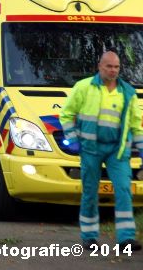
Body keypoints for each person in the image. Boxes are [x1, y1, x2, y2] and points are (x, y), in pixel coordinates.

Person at [60, 50, 143, 251]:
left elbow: (136, 125)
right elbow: (66, 114)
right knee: (90, 192)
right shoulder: (84, 87)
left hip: (118, 150)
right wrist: (73, 140)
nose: (113, 70)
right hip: (90, 149)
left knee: (124, 190)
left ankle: (126, 239)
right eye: (109, 66)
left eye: (116, 67)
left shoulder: (128, 93)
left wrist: (141, 149)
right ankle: (89, 236)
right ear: (100, 66)